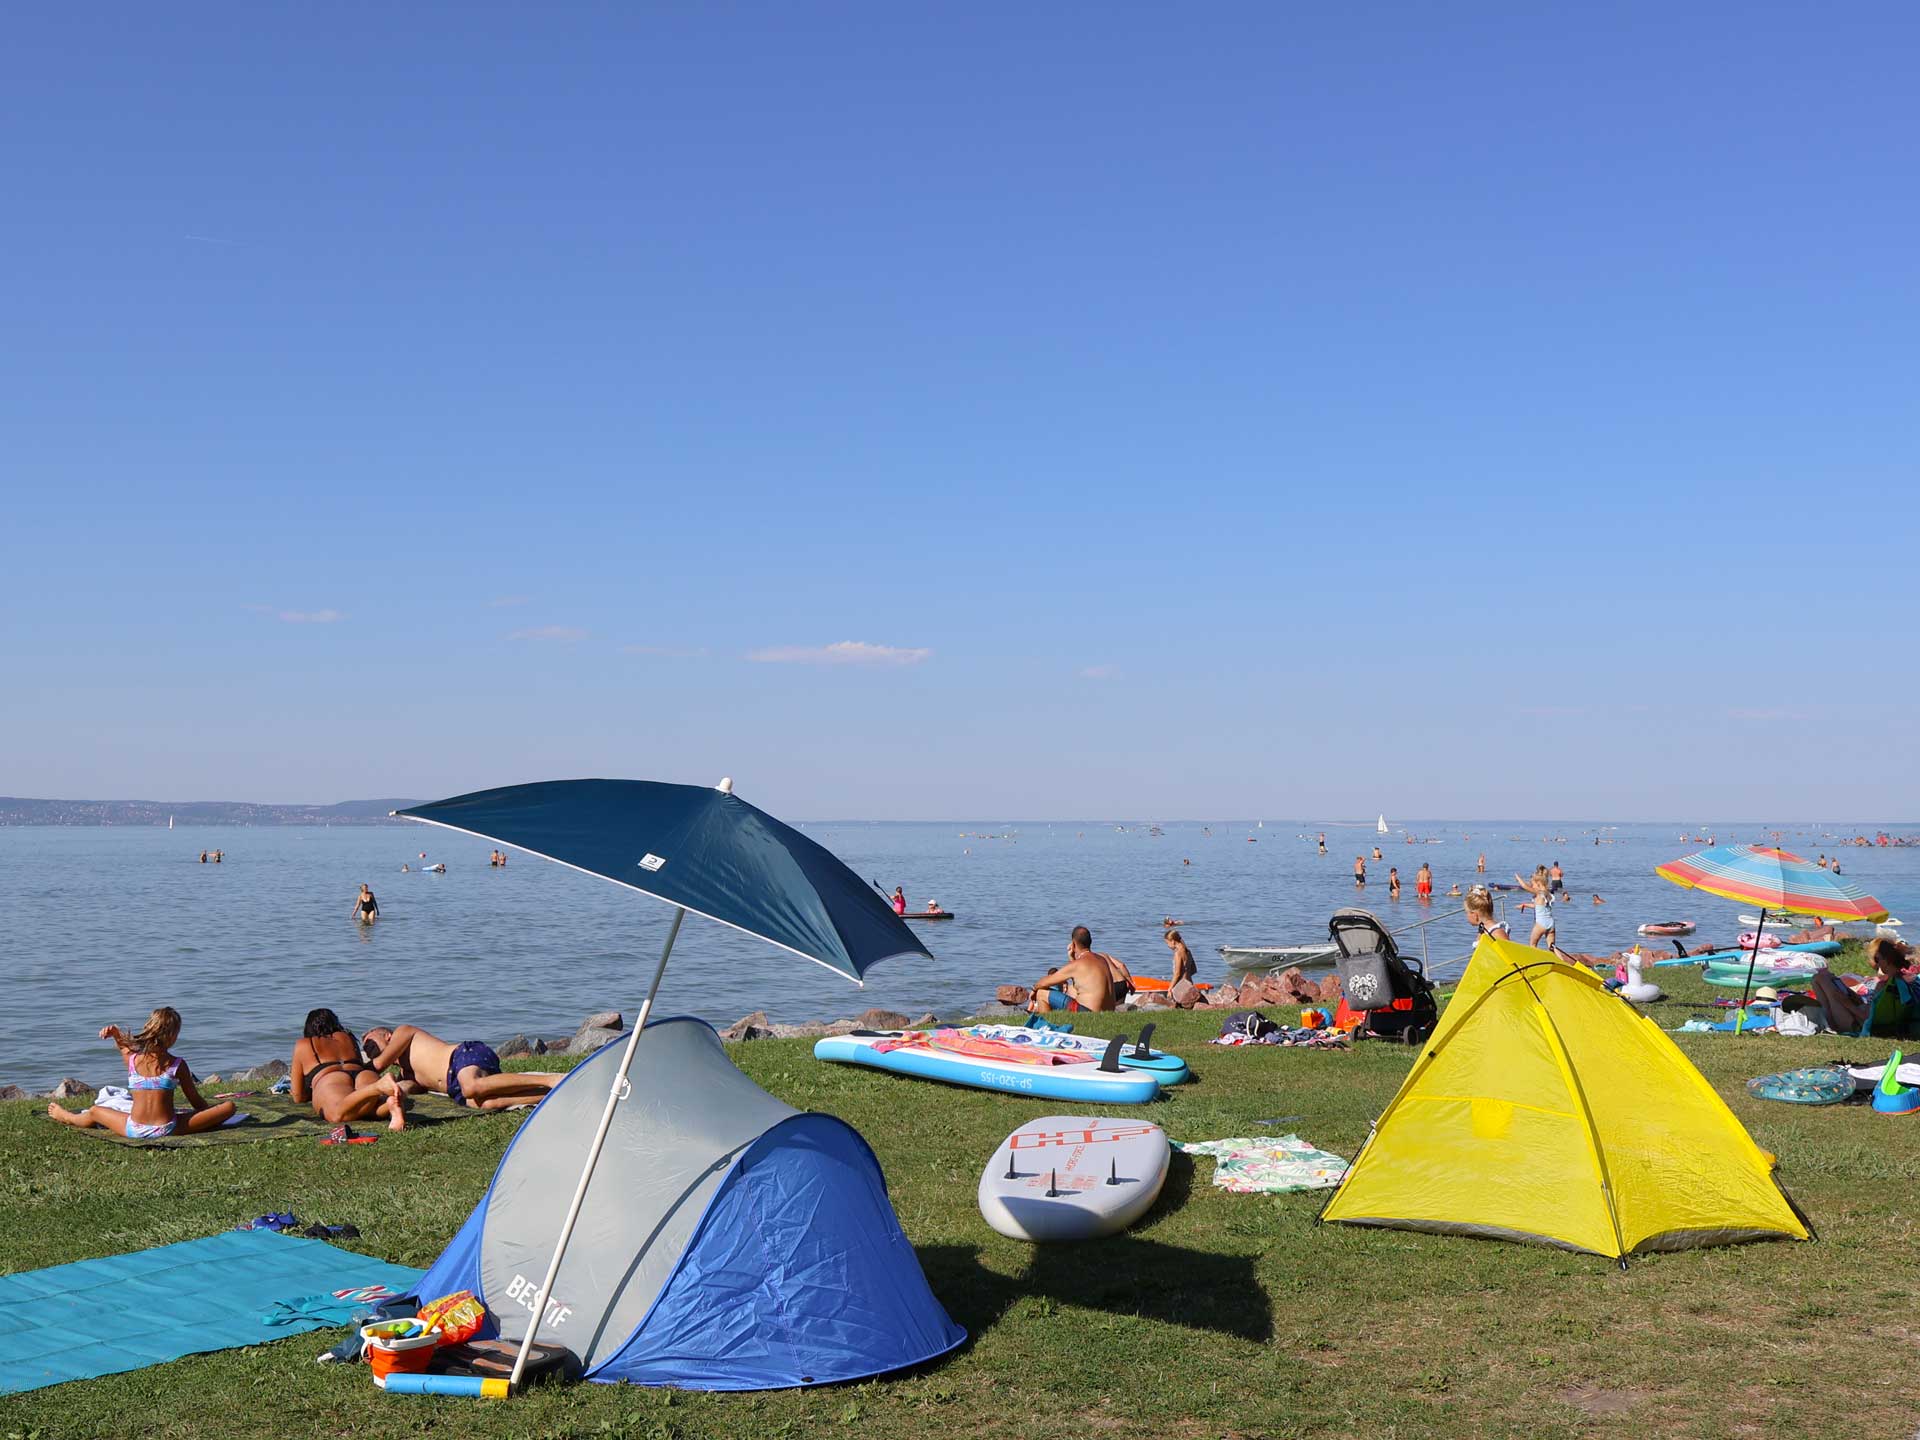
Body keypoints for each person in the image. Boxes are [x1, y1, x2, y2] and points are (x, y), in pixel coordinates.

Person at [47, 1007, 236, 1139]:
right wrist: (210, 1114)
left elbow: (124, 1048)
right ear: (172, 1036)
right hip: (167, 1129)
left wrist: (115, 1033)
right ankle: (66, 1117)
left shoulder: (133, 1060)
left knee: (95, 1111)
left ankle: (67, 1117)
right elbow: (195, 1101)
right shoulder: (177, 1065)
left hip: (133, 1129)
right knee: (229, 1107)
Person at [360, 1025, 562, 1110]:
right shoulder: (405, 1072)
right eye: (365, 1048)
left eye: (370, 1041)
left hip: (463, 1056)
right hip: (455, 1087)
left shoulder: (403, 1033)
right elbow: (408, 1089)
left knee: (471, 1087)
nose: (367, 1046)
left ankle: (551, 1080)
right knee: (485, 1105)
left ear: (386, 1035)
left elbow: (378, 1064)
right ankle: (546, 1095)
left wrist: (355, 1071)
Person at [292, 1008, 410, 1129]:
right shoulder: (348, 1037)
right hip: (364, 1074)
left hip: (331, 1078)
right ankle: (391, 1101)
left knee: (336, 1114)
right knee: (367, 1110)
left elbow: (298, 1096)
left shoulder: (304, 1044)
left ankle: (377, 1087)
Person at [1808, 939, 1918, 1037]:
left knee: (1819, 979)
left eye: (1877, 958)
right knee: (1824, 978)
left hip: (1858, 1024)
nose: (1877, 963)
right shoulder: (1903, 981)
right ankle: (1829, 1022)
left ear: (1887, 960)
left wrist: (1847, 1003)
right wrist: (1855, 998)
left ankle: (1830, 1024)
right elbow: (1875, 1010)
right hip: (1865, 1016)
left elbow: (1868, 1019)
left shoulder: (1886, 985)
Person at [1027, 927, 1126, 1013]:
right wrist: (1072, 958)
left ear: (1073, 944)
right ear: (1090, 941)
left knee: (1041, 993)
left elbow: (1046, 981)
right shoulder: (1102, 959)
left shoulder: (1077, 965)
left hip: (1087, 1012)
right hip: (1108, 1011)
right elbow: (1078, 982)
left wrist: (1034, 989)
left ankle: (1048, 1028)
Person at [1515, 868, 1556, 949]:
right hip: (1551, 924)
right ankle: (1560, 961)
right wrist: (1525, 905)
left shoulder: (1538, 892)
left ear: (1539, 884)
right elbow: (1538, 906)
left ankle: (1533, 961)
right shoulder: (1549, 894)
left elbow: (1524, 886)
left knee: (1532, 945)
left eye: (1532, 884)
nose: (1532, 886)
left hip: (1541, 924)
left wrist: (1518, 878)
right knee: (1552, 948)